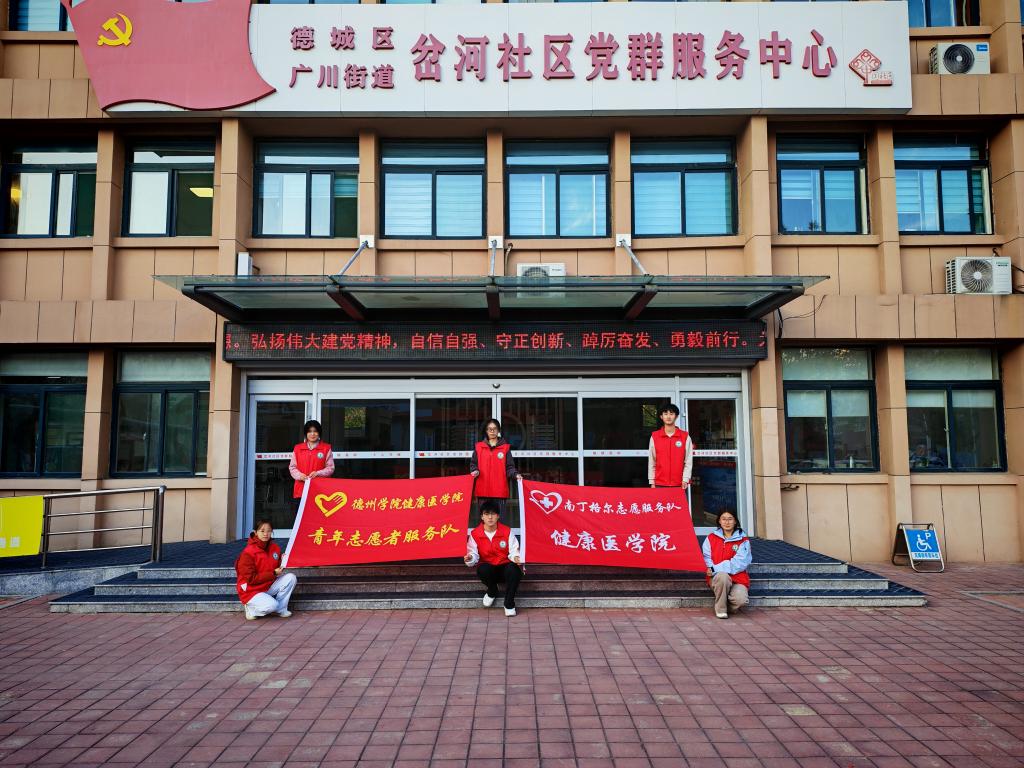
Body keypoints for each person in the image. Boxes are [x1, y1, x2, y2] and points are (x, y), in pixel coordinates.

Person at [464, 499, 524, 617]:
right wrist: (470, 558)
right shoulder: (475, 534)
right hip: (489, 570)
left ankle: (509, 603)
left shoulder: (507, 531)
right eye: (487, 514)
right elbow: (473, 554)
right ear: (482, 517)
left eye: (493, 514)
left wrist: (517, 557)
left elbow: (514, 550)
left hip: (504, 568)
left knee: (515, 570)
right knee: (482, 569)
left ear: (498, 516)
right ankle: (492, 590)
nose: (490, 517)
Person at [235, 519, 297, 620]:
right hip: (251, 590)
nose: (266, 534)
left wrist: (282, 560)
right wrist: (273, 573)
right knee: (272, 605)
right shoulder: (248, 553)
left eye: (269, 531)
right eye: (262, 531)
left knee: (291, 578)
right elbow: (251, 579)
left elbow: (275, 566)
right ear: (255, 532)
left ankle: (280, 609)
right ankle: (251, 608)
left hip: (267, 585)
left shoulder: (274, 548)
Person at [702, 510, 751, 619]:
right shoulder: (711, 538)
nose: (727, 522)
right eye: (723, 519)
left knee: (741, 600)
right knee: (723, 576)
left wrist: (714, 568)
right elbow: (706, 558)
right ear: (719, 521)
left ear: (735, 521)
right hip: (717, 577)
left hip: (738, 578)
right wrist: (711, 569)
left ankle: (727, 605)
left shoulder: (743, 540)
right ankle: (721, 610)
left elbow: (739, 563)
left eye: (730, 519)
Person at [469, 418, 522, 515]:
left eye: (495, 429)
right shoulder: (479, 447)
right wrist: (475, 470)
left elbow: (509, 467)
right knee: (485, 519)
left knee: (500, 518)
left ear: (498, 431)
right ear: (486, 431)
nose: (492, 431)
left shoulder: (505, 448)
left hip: (499, 491)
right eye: (490, 429)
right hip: (482, 491)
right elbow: (473, 464)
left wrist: (515, 474)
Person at [648, 403, 694, 489]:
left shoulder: (685, 437)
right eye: (665, 414)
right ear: (661, 416)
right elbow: (652, 461)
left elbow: (688, 461)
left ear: (676, 416)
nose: (668, 417)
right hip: (659, 483)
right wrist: (652, 481)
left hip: (679, 484)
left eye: (671, 414)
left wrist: (685, 479)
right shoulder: (655, 436)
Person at [289, 419, 334, 500]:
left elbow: (330, 468)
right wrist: (300, 476)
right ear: (306, 433)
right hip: (301, 489)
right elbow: (292, 467)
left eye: (315, 431)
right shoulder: (298, 448)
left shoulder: (326, 448)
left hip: (321, 491)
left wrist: (318, 473)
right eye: (309, 431)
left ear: (319, 433)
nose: (312, 434)